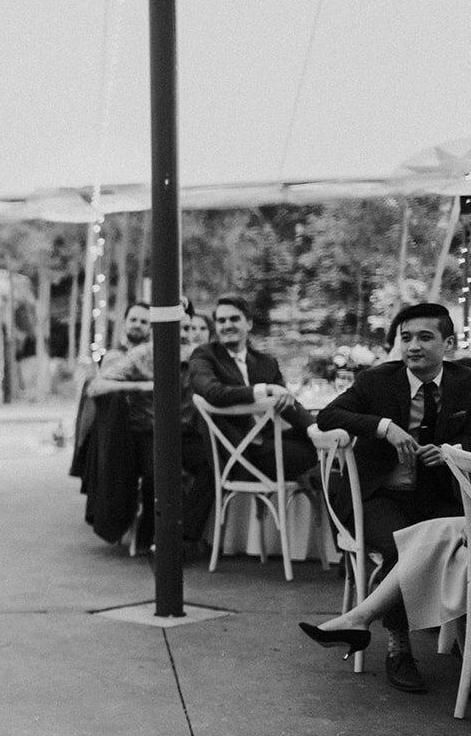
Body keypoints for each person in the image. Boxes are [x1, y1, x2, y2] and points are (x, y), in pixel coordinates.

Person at [309, 302, 471, 692]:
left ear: (448, 343)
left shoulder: (467, 382)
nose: (412, 346)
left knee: (461, 540)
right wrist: (383, 427)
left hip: (437, 497)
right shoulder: (378, 381)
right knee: (404, 547)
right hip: (377, 496)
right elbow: (328, 416)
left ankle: (450, 636)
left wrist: (450, 448)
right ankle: (399, 648)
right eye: (406, 338)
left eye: (424, 337)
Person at [86, 300, 213, 548]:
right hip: (148, 433)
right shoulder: (142, 354)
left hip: (185, 434)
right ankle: (152, 535)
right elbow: (96, 387)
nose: (187, 335)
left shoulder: (199, 355)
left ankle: (184, 536)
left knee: (212, 465)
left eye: (190, 329)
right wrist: (142, 386)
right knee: (162, 475)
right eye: (182, 329)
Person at [298, 514, 467, 670]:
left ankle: (359, 620)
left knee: (437, 535)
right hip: (378, 497)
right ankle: (397, 645)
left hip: (432, 500)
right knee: (421, 538)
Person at [188, 295, 318, 483]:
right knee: (308, 454)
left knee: (322, 437)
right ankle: (310, 487)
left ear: (248, 324)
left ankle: (312, 491)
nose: (227, 325)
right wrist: (264, 389)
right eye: (221, 321)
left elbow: (286, 402)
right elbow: (212, 392)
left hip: (266, 440)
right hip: (235, 448)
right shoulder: (205, 355)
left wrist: (314, 428)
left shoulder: (266, 362)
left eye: (234, 319)